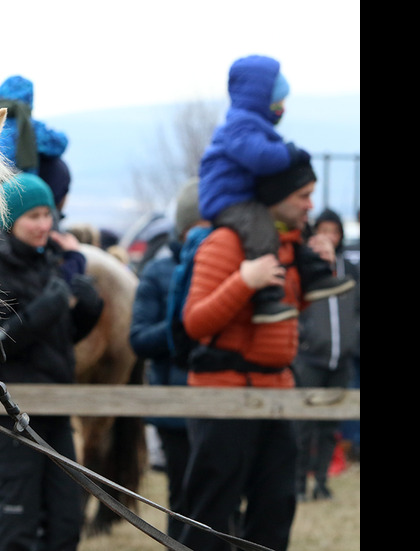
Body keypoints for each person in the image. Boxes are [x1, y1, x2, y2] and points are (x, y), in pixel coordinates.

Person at [176, 159, 330, 551]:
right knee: (209, 516)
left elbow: (286, 317)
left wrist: (320, 271)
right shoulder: (225, 242)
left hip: (277, 393)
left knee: (276, 509)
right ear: (277, 196)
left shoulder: (290, 243)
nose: (311, 206)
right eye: (303, 196)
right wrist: (243, 282)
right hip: (224, 395)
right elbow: (195, 322)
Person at [0, 172, 103, 551]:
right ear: (10, 219)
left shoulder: (47, 260)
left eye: (48, 215)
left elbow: (55, 339)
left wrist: (87, 310)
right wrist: (50, 308)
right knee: (18, 522)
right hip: (10, 409)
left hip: (57, 407)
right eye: (33, 216)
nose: (44, 224)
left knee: (66, 521)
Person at [197, 54, 353, 324]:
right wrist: (291, 153)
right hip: (227, 199)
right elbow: (261, 158)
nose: (282, 108)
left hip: (243, 195)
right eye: (278, 101)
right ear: (261, 99)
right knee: (261, 231)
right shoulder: (239, 126)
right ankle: (266, 297)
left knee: (296, 227)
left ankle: (314, 275)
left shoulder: (254, 126)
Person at [128, 179, 207, 537]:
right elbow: (140, 339)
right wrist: (181, 327)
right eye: (200, 230)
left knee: (218, 496)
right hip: (174, 408)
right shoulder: (159, 273)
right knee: (183, 496)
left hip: (218, 403)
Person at [293, 208, 360, 501]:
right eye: (323, 231)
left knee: (329, 425)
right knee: (302, 423)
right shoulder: (305, 268)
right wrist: (303, 339)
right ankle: (298, 484)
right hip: (309, 359)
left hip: (341, 359)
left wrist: (351, 342)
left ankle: (322, 482)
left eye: (334, 231)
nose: (329, 237)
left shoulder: (350, 270)